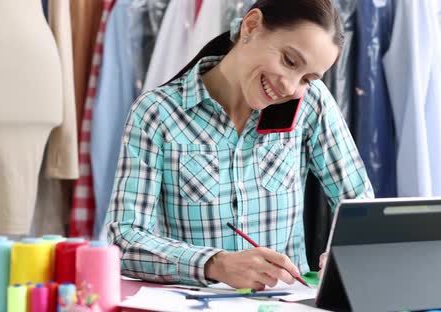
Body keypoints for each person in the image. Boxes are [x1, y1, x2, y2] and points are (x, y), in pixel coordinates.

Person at [106, 0, 374, 290]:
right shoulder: (157, 113)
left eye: (307, 78)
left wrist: (348, 251)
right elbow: (124, 238)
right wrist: (215, 264)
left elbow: (360, 205)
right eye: (289, 61)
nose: (290, 87)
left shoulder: (311, 103)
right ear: (251, 26)